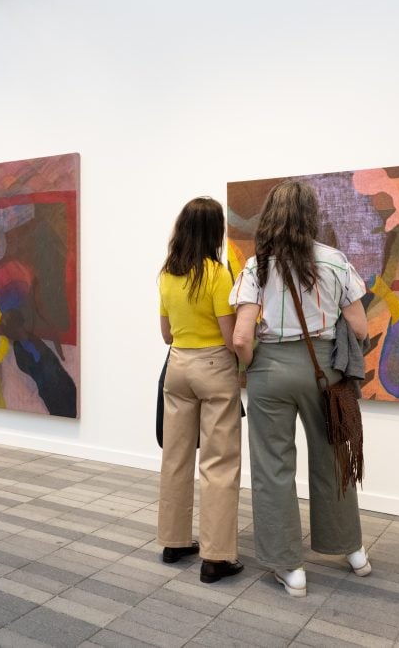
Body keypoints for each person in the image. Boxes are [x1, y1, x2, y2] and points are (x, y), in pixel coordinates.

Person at [230, 179, 371, 598]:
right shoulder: (335, 261)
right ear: (312, 216)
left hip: (270, 371)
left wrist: (251, 369)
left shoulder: (256, 267)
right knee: (333, 458)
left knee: (274, 468)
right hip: (323, 369)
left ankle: (290, 568)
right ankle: (352, 550)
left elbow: (240, 337)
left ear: (270, 216)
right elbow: (361, 327)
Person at [158, 197, 244, 584]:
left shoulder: (167, 274)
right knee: (218, 461)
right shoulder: (217, 273)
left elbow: (166, 334)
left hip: (177, 366)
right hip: (214, 367)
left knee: (176, 457)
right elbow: (231, 338)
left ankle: (173, 542)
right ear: (215, 231)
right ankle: (216, 557)